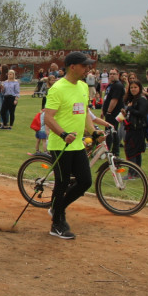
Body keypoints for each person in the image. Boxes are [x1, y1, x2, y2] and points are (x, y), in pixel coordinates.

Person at [42, 51, 97, 240]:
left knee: (85, 181)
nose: (87, 69)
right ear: (72, 67)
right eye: (84, 66)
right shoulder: (57, 88)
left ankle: (57, 208)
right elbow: (48, 117)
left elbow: (85, 113)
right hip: (60, 144)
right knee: (62, 182)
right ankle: (57, 223)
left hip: (77, 145)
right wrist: (63, 134)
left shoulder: (82, 86)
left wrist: (94, 130)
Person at [122, 79, 148, 168]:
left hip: (137, 129)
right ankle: (135, 172)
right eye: (131, 87)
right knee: (134, 151)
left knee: (133, 151)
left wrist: (130, 109)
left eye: (135, 87)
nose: (133, 89)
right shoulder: (132, 99)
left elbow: (141, 113)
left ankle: (133, 172)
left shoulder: (142, 99)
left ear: (139, 88)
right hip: (131, 128)